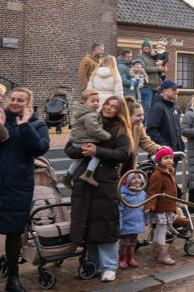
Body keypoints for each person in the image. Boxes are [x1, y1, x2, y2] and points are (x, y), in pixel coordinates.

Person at [65, 96, 132, 282]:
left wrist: (98, 152)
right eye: (107, 104)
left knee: (104, 224)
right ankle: (91, 264)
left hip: (104, 183)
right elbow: (69, 148)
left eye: (114, 107)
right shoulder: (91, 119)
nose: (108, 108)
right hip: (84, 182)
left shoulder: (120, 129)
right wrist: (83, 150)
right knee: (88, 225)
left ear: (120, 111)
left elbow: (122, 154)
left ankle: (109, 266)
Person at [0, 87, 50, 292]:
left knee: (14, 231)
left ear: (28, 103)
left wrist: (24, 125)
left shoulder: (37, 124)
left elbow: (40, 148)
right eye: (13, 99)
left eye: (20, 100)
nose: (15, 103)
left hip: (18, 186)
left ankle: (13, 278)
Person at [61, 89, 112, 188]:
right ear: (84, 102)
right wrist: (108, 136)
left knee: (79, 160)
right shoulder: (90, 115)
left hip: (77, 141)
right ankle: (88, 174)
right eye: (93, 101)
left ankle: (67, 176)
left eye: (97, 101)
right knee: (97, 155)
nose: (96, 103)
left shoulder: (82, 112)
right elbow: (94, 130)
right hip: (83, 141)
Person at [145, 147, 178, 265]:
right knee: (162, 230)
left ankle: (156, 252)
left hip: (167, 207)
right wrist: (150, 205)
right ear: (159, 160)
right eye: (166, 158)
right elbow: (153, 191)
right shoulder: (158, 175)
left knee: (160, 229)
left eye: (171, 158)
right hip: (161, 208)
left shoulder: (170, 171)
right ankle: (162, 255)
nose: (169, 160)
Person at [124, 97, 162, 174]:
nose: (142, 118)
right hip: (116, 166)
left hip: (129, 165)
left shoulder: (138, 127)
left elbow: (146, 142)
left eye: (142, 115)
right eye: (138, 115)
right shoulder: (118, 127)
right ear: (128, 115)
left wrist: (159, 149)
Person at [146, 79, 185, 153]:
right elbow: (151, 130)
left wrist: (181, 146)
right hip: (165, 154)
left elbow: (177, 131)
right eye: (173, 89)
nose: (177, 92)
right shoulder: (157, 107)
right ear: (165, 91)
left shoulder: (174, 107)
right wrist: (164, 146)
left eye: (176, 89)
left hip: (176, 152)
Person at [118, 172, 147, 269]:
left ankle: (130, 258)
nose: (136, 180)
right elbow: (119, 210)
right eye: (133, 178)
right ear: (128, 181)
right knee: (125, 242)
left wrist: (146, 219)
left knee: (133, 242)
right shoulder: (123, 195)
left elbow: (145, 208)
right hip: (126, 223)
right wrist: (120, 223)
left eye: (139, 178)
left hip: (137, 222)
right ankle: (122, 259)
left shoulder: (143, 194)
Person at [136, 38, 166, 119]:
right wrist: (157, 69)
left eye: (148, 46)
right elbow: (143, 68)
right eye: (144, 46)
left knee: (155, 107)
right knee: (146, 107)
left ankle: (152, 124)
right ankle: (144, 124)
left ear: (150, 47)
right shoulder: (140, 57)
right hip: (147, 86)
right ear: (142, 48)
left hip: (156, 87)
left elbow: (162, 62)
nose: (146, 47)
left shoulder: (154, 57)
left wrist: (163, 68)